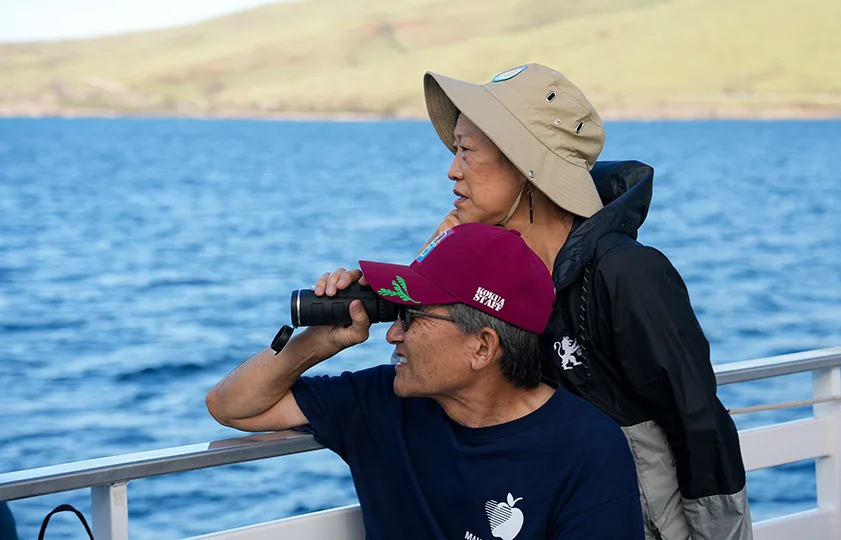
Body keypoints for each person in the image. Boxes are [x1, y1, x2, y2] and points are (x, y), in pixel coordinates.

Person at [322, 63, 752, 540]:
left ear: (527, 167)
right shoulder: (494, 272)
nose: (452, 170)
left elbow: (697, 420)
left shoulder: (625, 274)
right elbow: (439, 343)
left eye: (466, 151)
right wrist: (408, 272)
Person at [206, 223, 646, 540]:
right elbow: (233, 406)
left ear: (482, 347)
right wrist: (320, 340)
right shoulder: (381, 400)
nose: (393, 334)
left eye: (411, 317)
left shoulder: (587, 449)